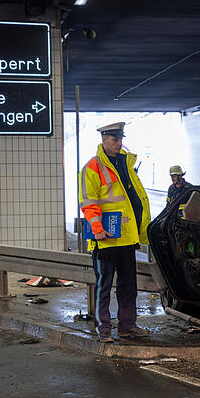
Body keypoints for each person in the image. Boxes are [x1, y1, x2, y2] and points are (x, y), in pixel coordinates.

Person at [79, 122, 152, 342]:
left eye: (120, 139)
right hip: (105, 240)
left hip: (127, 238)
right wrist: (98, 229)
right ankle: (103, 330)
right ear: (103, 140)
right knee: (103, 287)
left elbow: (135, 199)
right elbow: (88, 201)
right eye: (114, 140)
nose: (119, 144)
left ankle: (128, 326)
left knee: (128, 286)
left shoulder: (125, 164)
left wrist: (142, 230)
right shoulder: (92, 167)